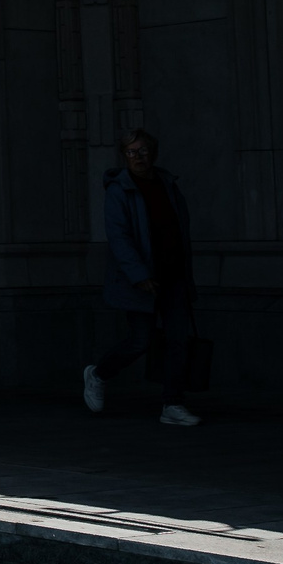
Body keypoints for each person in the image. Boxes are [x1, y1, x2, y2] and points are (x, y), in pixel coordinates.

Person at [85, 127, 201, 426]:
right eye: (132, 152)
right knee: (141, 341)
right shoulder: (119, 189)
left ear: (154, 153)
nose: (138, 157)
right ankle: (98, 374)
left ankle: (172, 404)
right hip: (141, 280)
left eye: (143, 151)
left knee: (178, 341)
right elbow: (119, 237)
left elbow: (178, 229)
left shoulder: (167, 184)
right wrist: (139, 274)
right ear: (124, 155)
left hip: (173, 275)